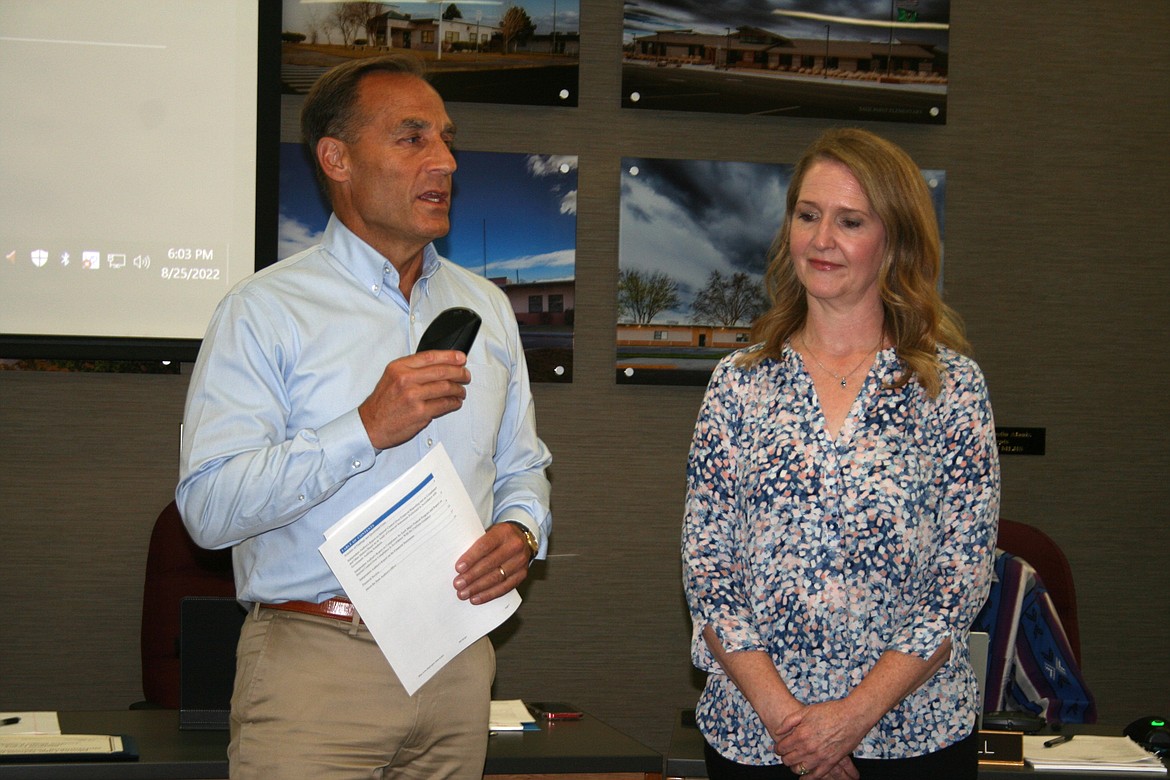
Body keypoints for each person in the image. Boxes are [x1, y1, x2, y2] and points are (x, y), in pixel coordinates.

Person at [176, 54, 552, 780]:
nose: (443, 160)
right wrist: (365, 428)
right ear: (336, 159)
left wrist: (522, 530)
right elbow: (208, 508)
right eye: (412, 138)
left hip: (457, 667)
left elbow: (523, 467)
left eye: (445, 139)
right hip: (316, 671)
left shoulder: (487, 308)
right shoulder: (264, 312)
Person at [682, 127, 1000, 780]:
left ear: (896, 241)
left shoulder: (950, 387)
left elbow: (959, 580)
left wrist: (852, 717)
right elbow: (709, 574)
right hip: (760, 742)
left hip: (914, 742)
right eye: (807, 216)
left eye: (850, 221)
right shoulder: (740, 382)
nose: (821, 240)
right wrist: (792, 725)